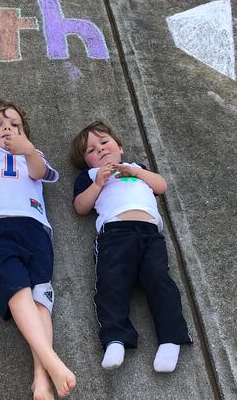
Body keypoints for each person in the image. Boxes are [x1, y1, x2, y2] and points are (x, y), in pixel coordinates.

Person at [0, 100, 76, 400]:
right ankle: (51, 360)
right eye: (0, 125)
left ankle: (40, 381)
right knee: (17, 291)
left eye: (15, 125)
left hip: (34, 227)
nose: (7, 128)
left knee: (41, 299)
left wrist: (26, 147)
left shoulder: (31, 155)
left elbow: (39, 172)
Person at [70, 121, 192, 372]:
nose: (100, 150)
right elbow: (80, 207)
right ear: (87, 162)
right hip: (115, 234)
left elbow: (161, 186)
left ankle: (170, 339)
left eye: (104, 142)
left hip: (149, 233)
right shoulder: (90, 176)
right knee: (111, 284)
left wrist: (136, 172)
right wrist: (98, 184)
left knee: (160, 281)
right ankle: (115, 338)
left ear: (120, 147)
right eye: (91, 150)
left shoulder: (138, 168)